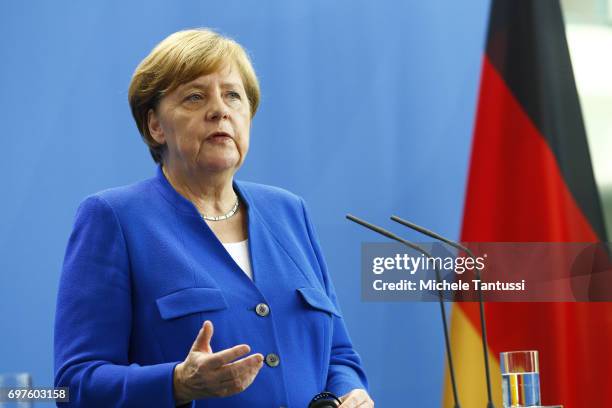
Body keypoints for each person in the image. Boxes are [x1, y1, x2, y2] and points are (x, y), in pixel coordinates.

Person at [54, 28, 373, 407]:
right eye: (194, 97)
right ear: (156, 126)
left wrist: (349, 393)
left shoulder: (289, 212)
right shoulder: (115, 219)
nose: (220, 109)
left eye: (233, 96)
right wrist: (177, 383)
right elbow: (73, 385)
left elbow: (338, 355)